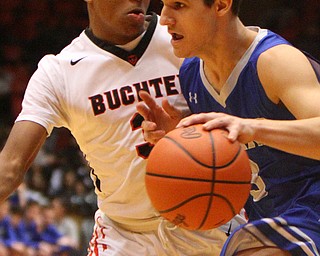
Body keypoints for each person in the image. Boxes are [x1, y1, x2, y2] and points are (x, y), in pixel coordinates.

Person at [0, 0, 246, 255]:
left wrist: (187, 132)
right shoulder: (58, 72)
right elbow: (10, 168)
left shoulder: (189, 42)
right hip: (124, 235)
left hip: (210, 218)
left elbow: (246, 123)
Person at [136, 0, 320, 255]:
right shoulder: (191, 74)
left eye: (179, 5)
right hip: (268, 218)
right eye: (164, 5)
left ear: (221, 5)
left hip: (312, 208)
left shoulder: (274, 61)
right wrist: (182, 136)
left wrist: (253, 128)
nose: (164, 18)